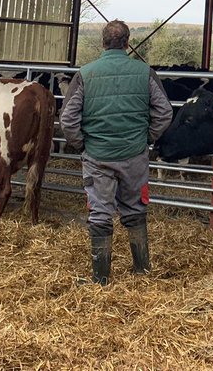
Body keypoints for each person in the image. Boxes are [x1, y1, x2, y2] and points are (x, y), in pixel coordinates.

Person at [59, 20, 173, 285]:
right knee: (135, 209)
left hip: (98, 157)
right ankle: (142, 270)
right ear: (127, 42)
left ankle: (100, 278)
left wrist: (82, 143)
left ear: (102, 42)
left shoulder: (86, 74)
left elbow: (67, 119)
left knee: (99, 212)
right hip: (134, 155)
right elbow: (165, 111)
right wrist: (146, 137)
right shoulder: (144, 72)